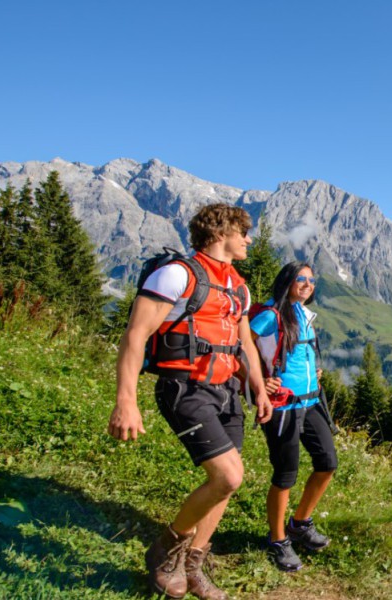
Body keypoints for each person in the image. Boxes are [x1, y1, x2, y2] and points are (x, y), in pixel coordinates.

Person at [107, 203, 272, 600]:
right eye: (243, 231)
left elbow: (245, 341)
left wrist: (259, 388)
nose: (249, 239)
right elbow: (135, 334)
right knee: (229, 476)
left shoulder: (239, 285)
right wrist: (125, 401)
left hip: (226, 392)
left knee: (226, 485)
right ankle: (167, 548)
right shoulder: (177, 274)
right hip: (185, 388)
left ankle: (193, 564)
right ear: (220, 233)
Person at [250, 261, 338, 571]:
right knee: (286, 474)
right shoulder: (270, 315)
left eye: (311, 280)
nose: (307, 284)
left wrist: (314, 370)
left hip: (312, 402)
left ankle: (300, 523)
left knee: (327, 463)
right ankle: (278, 540)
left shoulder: (305, 314)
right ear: (287, 281)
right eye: (300, 279)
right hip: (282, 407)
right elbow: (240, 342)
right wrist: (258, 378)